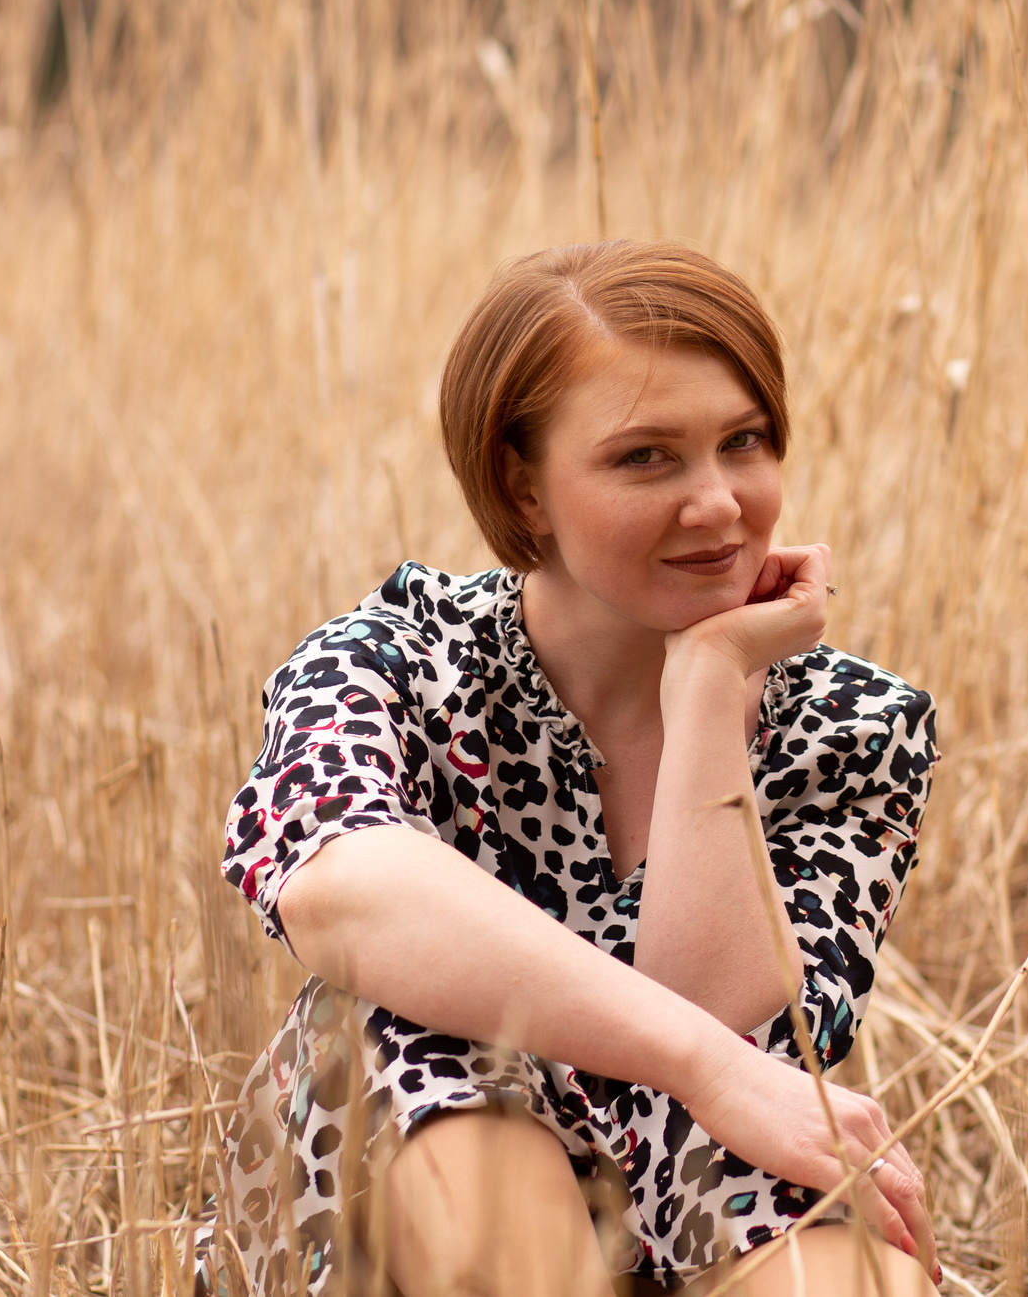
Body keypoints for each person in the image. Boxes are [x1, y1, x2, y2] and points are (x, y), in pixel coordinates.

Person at [202, 241, 942, 1296]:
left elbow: (729, 1010)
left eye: (744, 442)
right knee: (403, 1050)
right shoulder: (398, 657)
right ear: (523, 484)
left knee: (849, 1273)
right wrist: (705, 1064)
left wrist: (707, 694)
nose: (719, 504)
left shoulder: (851, 726)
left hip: (702, 1157)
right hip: (423, 1144)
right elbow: (341, 889)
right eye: (646, 457)